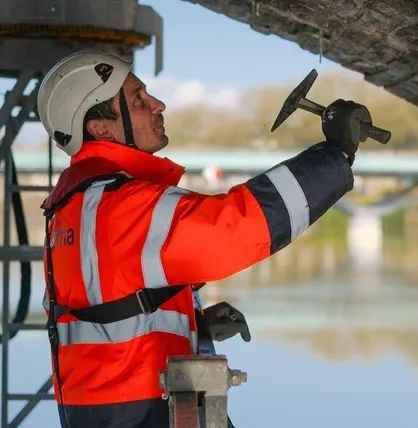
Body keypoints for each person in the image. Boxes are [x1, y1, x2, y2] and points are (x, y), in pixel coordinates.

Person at [37, 50, 373, 428]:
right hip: (140, 411)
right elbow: (234, 229)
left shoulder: (74, 207)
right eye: (138, 99)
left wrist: (193, 322)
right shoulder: (121, 204)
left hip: (111, 410)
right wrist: (335, 153)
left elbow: (109, 306)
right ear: (100, 128)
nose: (158, 104)